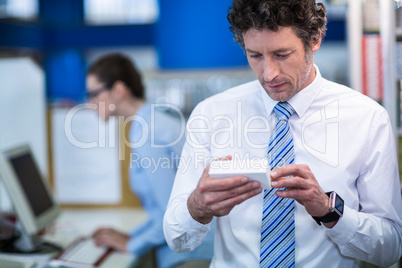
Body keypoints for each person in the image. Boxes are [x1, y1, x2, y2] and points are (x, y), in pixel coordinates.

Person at [163, 0, 402, 267]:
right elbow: (176, 238)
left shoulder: (367, 119)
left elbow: (390, 248)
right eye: (255, 56)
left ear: (314, 40)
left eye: (282, 54)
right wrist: (198, 207)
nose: (269, 74)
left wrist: (328, 210)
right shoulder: (211, 114)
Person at [86, 53, 214, 268]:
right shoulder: (152, 120)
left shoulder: (148, 132)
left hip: (192, 254)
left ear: (118, 90)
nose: (89, 104)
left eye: (93, 94)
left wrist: (132, 245)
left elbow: (170, 216)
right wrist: (131, 235)